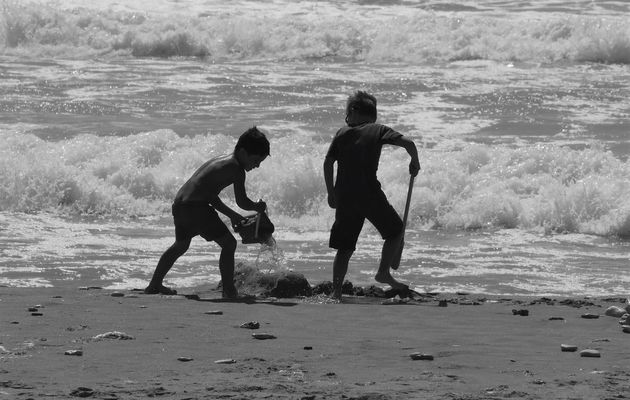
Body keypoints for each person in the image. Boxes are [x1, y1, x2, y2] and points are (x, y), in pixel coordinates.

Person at [145, 127, 269, 298]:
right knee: (229, 244)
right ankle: (229, 290)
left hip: (181, 204)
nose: (257, 165)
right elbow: (241, 201)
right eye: (256, 160)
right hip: (197, 208)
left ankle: (154, 284)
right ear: (242, 152)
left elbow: (210, 195)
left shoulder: (222, 160)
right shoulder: (236, 169)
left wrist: (233, 215)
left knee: (180, 245)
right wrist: (257, 207)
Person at [323, 91, 420, 299]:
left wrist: (331, 193)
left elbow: (328, 162)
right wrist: (414, 162)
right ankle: (383, 272)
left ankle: (336, 293)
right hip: (368, 193)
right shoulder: (378, 130)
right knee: (395, 232)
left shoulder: (341, 133)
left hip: (345, 197)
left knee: (344, 248)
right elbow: (409, 143)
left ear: (353, 111)